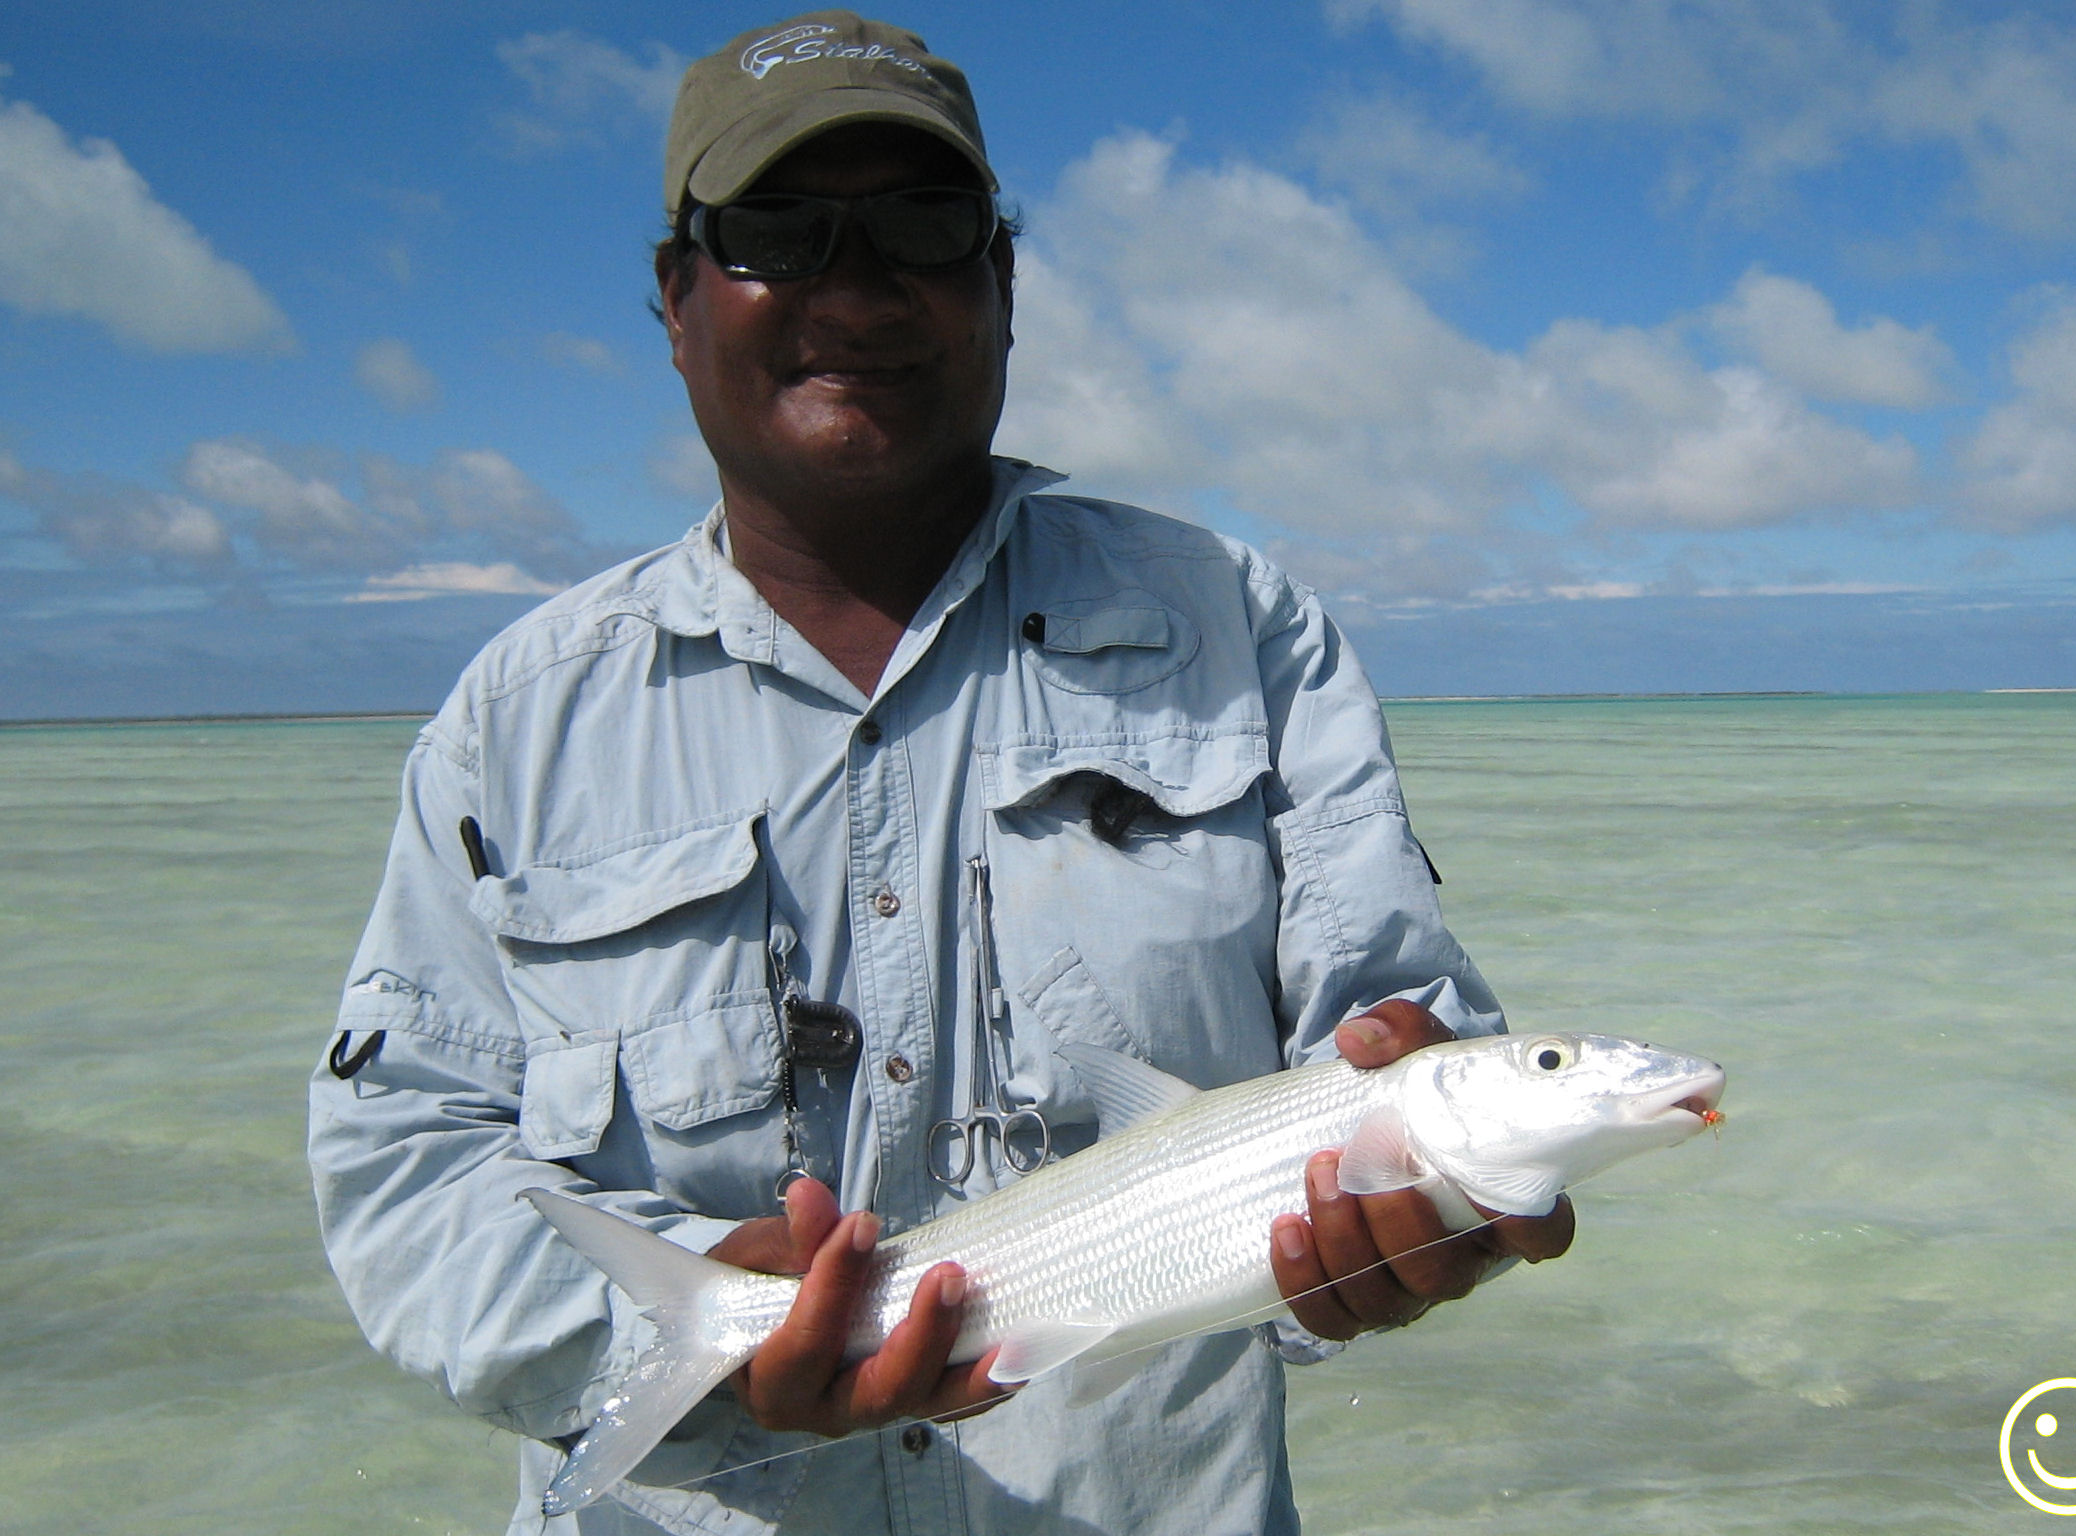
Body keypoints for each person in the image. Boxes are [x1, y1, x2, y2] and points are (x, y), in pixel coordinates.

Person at [307, 12, 1573, 1534]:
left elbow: (1403, 1038)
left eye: (922, 224)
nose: (855, 286)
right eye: (779, 231)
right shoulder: (513, 725)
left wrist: (1409, 1213)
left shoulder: (1243, 632)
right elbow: (406, 1159)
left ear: (1003, 282)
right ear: (676, 299)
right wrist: (677, 1329)